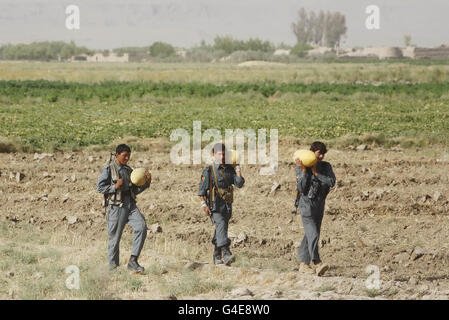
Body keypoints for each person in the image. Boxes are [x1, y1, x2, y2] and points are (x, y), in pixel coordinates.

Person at [97, 144, 151, 272]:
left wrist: (146, 184)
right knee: (114, 239)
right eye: (124, 156)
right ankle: (113, 268)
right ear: (117, 155)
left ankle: (133, 261)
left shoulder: (128, 170)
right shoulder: (109, 169)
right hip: (116, 207)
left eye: (129, 156)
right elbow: (100, 187)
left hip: (130, 205)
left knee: (141, 226)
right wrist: (114, 187)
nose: (127, 158)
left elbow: (134, 190)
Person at [198, 143, 245, 265]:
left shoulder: (230, 169)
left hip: (227, 205)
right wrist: (204, 205)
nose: (222, 156)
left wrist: (237, 167)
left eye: (224, 154)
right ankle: (226, 252)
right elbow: (201, 191)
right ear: (214, 155)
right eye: (219, 154)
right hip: (215, 205)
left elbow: (239, 183)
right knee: (221, 225)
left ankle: (216, 255)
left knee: (221, 228)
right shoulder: (209, 170)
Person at [295, 141, 336, 276]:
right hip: (306, 204)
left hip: (320, 204)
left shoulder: (326, 166)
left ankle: (303, 264)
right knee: (314, 234)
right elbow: (301, 188)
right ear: (312, 152)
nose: (321, 156)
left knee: (311, 234)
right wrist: (305, 171)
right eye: (319, 153)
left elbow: (331, 182)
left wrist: (317, 174)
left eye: (323, 154)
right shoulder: (301, 167)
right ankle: (317, 262)